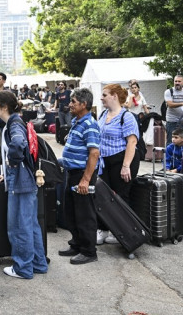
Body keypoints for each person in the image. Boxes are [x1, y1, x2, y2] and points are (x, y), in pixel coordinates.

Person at [0, 91, 49, 279]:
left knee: (19, 226)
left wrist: (12, 163)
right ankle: (38, 263)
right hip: (25, 180)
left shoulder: (13, 125)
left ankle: (23, 268)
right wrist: (6, 176)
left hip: (20, 181)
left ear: (4, 107)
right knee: (30, 224)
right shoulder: (16, 122)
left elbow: (18, 144)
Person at [58, 88, 100, 265]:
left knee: (84, 214)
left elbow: (94, 153)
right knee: (71, 212)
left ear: (84, 104)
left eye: (74, 101)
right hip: (72, 173)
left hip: (82, 175)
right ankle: (76, 244)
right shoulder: (77, 121)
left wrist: (85, 179)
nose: (70, 104)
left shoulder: (90, 124)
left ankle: (89, 251)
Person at [96, 83, 140, 245]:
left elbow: (132, 142)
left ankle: (121, 230)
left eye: (105, 95)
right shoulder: (102, 114)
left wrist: (126, 166)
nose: (102, 98)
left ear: (114, 96)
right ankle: (103, 228)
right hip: (105, 162)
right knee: (103, 196)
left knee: (121, 196)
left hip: (122, 160)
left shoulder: (126, 116)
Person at [164, 75, 183, 144]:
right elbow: (170, 104)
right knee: (171, 141)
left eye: (179, 81)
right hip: (172, 120)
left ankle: (182, 155)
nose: (177, 83)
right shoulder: (169, 91)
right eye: (175, 81)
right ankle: (170, 154)